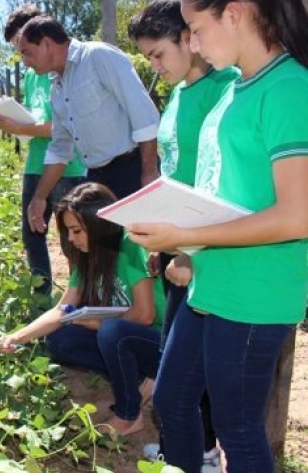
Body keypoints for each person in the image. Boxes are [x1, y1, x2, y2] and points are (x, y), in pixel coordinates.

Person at [128, 0, 308, 471]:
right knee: (173, 398)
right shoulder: (236, 90)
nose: (193, 41)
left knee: (238, 432)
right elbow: (220, 191)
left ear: (236, 12)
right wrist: (188, 249)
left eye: (196, 28)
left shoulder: (289, 89)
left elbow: (298, 214)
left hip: (253, 291)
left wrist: (186, 232)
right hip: (211, 279)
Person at [128, 0, 239, 469]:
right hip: (180, 246)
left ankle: (203, 453)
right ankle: (192, 448)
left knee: (199, 370)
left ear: (188, 38)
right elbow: (174, 173)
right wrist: (166, 244)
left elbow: (230, 182)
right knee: (180, 363)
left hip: (212, 249)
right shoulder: (177, 95)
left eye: (158, 54)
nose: (154, 67)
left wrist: (194, 251)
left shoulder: (227, 88)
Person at [0, 182, 165, 436]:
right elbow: (62, 309)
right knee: (59, 338)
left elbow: (145, 314)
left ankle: (129, 415)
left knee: (111, 332)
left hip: (158, 344)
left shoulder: (130, 248)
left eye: (76, 231)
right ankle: (139, 380)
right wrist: (18, 336)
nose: (71, 240)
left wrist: (98, 324)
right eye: (68, 232)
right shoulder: (88, 257)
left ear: (98, 226)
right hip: (122, 338)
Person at [17, 16, 161, 236]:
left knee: (141, 245)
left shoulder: (97, 57)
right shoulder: (57, 88)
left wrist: (149, 173)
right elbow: (59, 148)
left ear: (47, 43)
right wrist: (39, 197)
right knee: (101, 250)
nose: (25, 62)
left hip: (131, 169)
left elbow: (143, 114)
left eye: (27, 52)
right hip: (96, 176)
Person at [0, 4, 86, 299]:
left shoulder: (59, 69)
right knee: (32, 233)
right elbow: (38, 116)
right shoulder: (32, 74)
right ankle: (41, 297)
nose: (22, 56)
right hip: (36, 161)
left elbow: (60, 128)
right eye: (16, 49)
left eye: (23, 47)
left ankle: (81, 297)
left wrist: (21, 128)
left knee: (72, 238)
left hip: (68, 166)